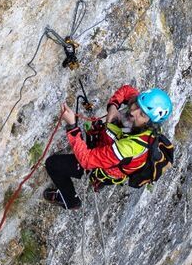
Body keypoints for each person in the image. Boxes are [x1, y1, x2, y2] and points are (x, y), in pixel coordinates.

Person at [42, 84, 173, 210]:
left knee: (52, 164)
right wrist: (113, 106)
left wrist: (72, 126)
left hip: (108, 166)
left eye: (142, 114)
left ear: (149, 124)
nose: (134, 112)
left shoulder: (130, 147)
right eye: (137, 105)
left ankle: (71, 201)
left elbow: (86, 160)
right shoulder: (143, 108)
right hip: (108, 149)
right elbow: (127, 90)